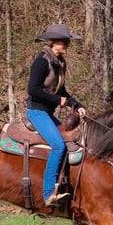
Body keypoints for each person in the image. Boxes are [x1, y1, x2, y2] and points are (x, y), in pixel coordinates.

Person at [26, 23, 87, 207]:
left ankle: (63, 185)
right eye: (64, 42)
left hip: (47, 113)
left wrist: (76, 104)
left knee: (69, 142)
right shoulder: (42, 61)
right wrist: (57, 100)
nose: (67, 45)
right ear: (54, 43)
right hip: (36, 112)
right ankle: (47, 194)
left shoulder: (59, 63)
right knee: (59, 145)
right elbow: (33, 89)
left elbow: (63, 91)